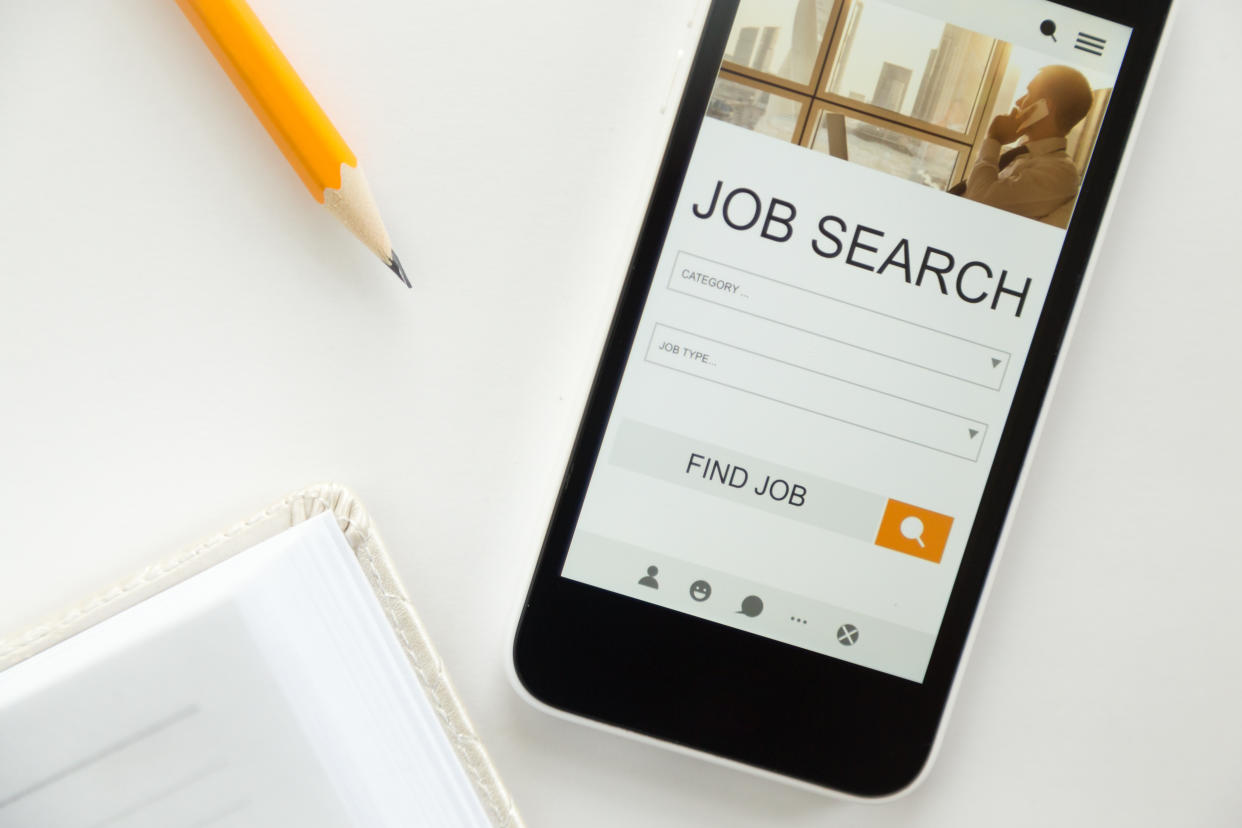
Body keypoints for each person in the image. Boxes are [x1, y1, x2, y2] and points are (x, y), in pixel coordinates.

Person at [961, 65, 1094, 227]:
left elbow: (977, 202)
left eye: (1029, 93)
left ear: (1045, 106)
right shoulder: (1023, 154)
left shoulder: (1059, 172)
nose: (1018, 102)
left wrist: (994, 139)